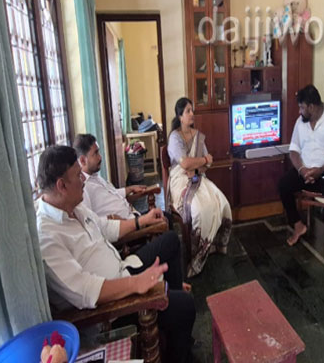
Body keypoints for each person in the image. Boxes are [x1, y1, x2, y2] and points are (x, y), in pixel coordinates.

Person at [36, 145, 195, 362]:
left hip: (123, 268)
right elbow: (86, 290)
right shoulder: (47, 236)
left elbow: (105, 227)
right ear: (61, 185)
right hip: (112, 308)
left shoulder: (74, 207)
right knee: (185, 306)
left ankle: (170, 304)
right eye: (77, 175)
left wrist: (141, 221)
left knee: (170, 241)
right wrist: (136, 284)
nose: (83, 180)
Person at [278, 85, 324, 272]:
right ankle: (298, 225)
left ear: (311, 106)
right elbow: (293, 150)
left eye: (302, 107)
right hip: (304, 171)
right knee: (283, 185)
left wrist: (320, 171)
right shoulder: (300, 122)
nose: (299, 111)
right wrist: (302, 170)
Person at [167, 97, 232, 277]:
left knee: (221, 202)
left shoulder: (198, 136)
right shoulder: (175, 137)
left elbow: (207, 164)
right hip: (180, 179)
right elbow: (185, 163)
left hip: (198, 177)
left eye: (192, 110)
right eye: (187, 111)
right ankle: (197, 255)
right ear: (180, 116)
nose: (191, 114)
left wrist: (197, 166)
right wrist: (201, 160)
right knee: (199, 209)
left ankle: (214, 245)